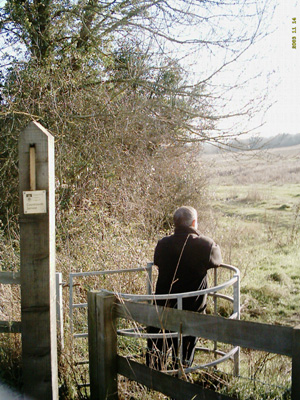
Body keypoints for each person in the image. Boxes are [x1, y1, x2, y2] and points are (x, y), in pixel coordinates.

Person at [146, 206, 222, 370]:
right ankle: (182, 376)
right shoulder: (205, 245)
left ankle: (154, 383)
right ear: (194, 223)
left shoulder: (162, 244)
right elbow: (217, 260)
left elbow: (158, 261)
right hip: (191, 311)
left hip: (163, 309)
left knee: (156, 353)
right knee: (184, 357)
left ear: (175, 223)